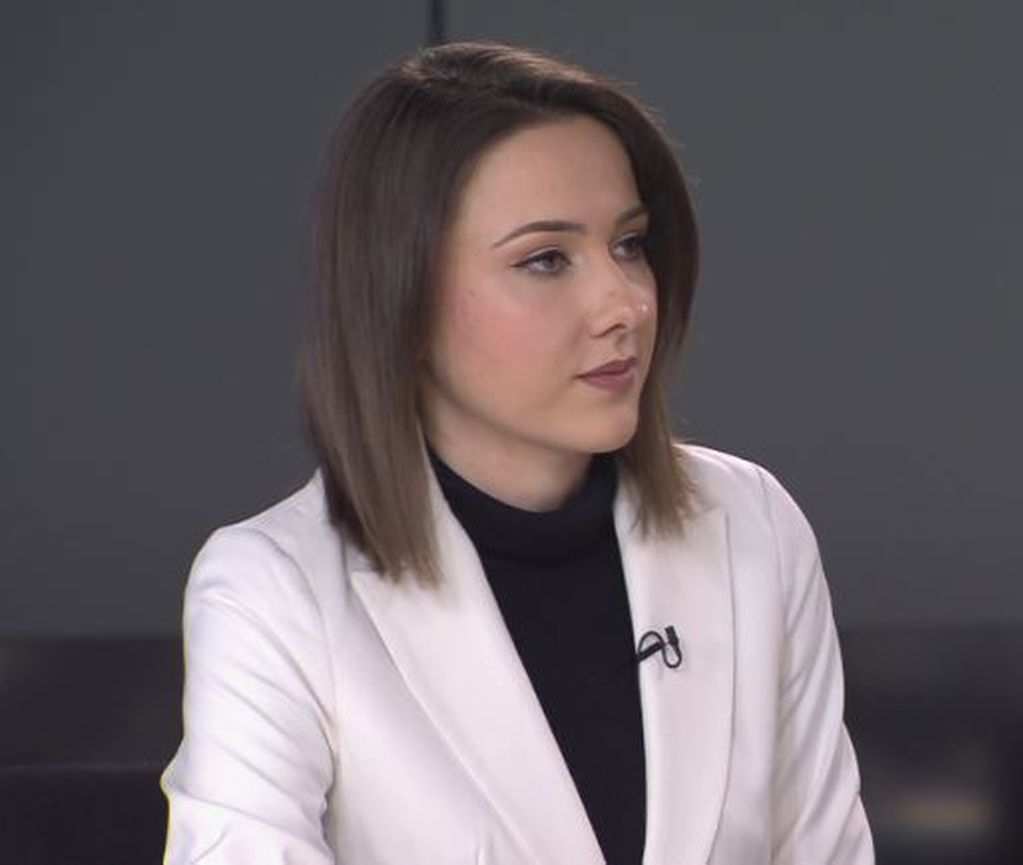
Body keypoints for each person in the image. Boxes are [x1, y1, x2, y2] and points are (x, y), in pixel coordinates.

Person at [159, 41, 875, 865]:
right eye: (546, 260)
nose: (624, 303)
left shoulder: (754, 524)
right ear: (400, 300)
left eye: (630, 244)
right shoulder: (270, 591)